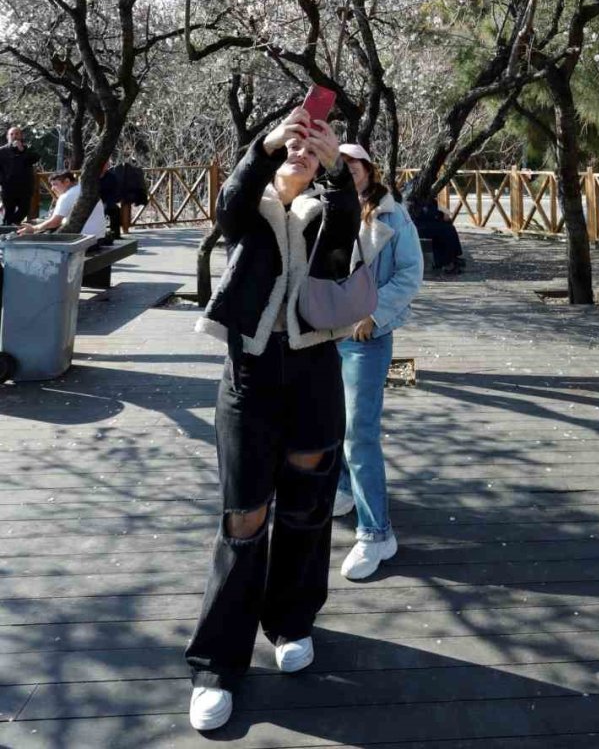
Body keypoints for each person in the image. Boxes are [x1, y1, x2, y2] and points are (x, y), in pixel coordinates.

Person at [185, 107, 359, 734]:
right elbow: (230, 197)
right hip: (250, 380)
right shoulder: (248, 212)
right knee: (243, 517)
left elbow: (348, 223)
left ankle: (291, 620)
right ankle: (217, 663)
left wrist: (336, 164)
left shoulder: (323, 214)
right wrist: (267, 142)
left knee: (308, 507)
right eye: (293, 149)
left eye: (309, 153)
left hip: (314, 376)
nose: (300, 154)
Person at [334, 143, 423, 579]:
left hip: (364, 337)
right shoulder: (323, 206)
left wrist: (375, 312)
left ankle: (376, 532)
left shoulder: (393, 215)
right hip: (321, 332)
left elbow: (410, 273)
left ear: (370, 169)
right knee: (326, 420)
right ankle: (342, 489)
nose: (348, 170)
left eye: (355, 164)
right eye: (340, 164)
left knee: (359, 433)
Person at [16, 170, 106, 243]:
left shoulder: (67, 196)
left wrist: (33, 229)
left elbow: (54, 222)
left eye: (55, 184)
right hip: (100, 237)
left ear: (67, 181)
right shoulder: (83, 189)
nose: (52, 188)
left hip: (84, 241)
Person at [408, 193, 465, 275]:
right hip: (419, 226)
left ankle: (450, 258)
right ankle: (448, 262)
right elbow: (423, 214)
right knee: (446, 230)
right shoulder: (415, 198)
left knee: (449, 227)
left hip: (427, 223)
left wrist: (445, 212)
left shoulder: (429, 198)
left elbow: (441, 209)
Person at [0, 126, 36, 227]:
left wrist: (22, 150)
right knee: (8, 212)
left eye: (17, 134)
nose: (14, 136)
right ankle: (7, 231)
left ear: (21, 136)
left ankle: (10, 225)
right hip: (8, 188)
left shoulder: (28, 149)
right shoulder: (2, 151)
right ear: (8, 136)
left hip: (25, 187)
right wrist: (2, 180)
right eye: (11, 134)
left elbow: (35, 158)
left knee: (24, 210)